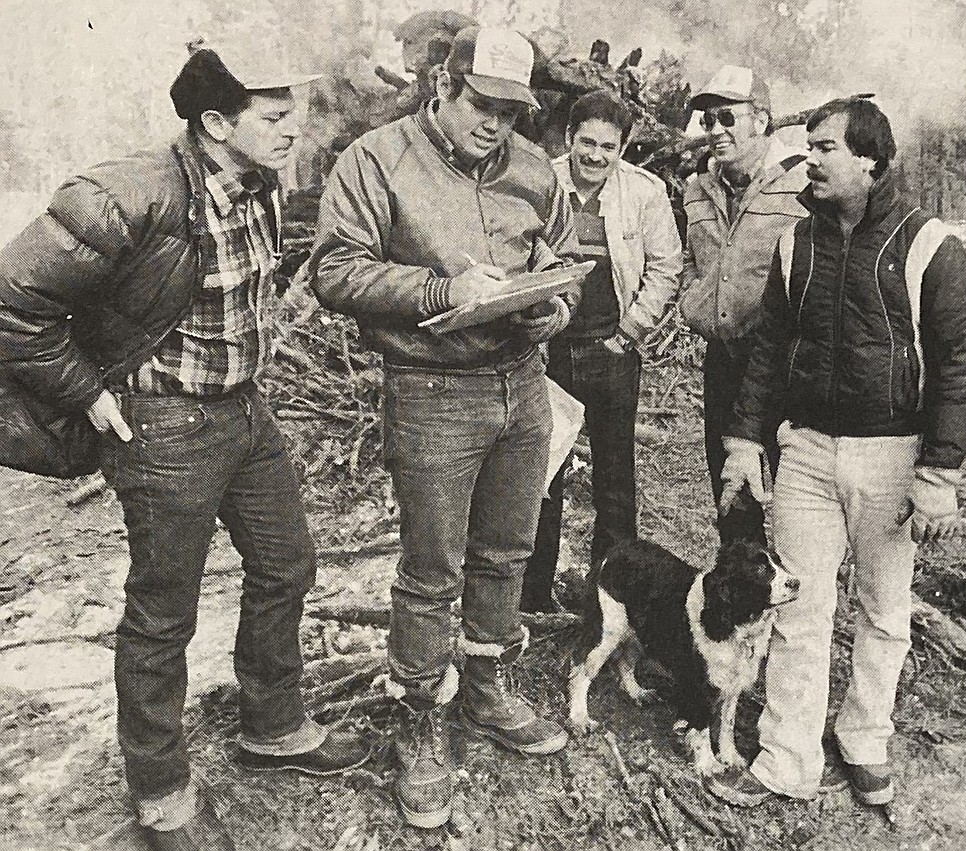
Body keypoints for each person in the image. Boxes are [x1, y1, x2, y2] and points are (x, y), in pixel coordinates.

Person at [0, 46, 371, 850]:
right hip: (163, 425)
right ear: (214, 123)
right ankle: (162, 791)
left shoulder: (260, 181)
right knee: (163, 612)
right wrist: (90, 395)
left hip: (244, 413)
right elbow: (12, 300)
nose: (293, 130)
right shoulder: (127, 194)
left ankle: (273, 725)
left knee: (287, 564)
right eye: (274, 118)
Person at [307, 26, 579, 830]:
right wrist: (438, 289)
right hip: (431, 388)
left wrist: (554, 306)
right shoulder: (377, 159)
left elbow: (560, 255)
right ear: (441, 86)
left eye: (512, 111)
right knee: (433, 566)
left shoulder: (534, 169)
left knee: (507, 550)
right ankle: (419, 716)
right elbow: (333, 268)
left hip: (522, 384)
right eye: (482, 104)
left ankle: (487, 685)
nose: (497, 124)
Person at [707, 97, 966, 809]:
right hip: (805, 451)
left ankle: (864, 738)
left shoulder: (931, 246)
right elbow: (769, 349)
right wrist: (743, 437)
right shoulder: (798, 242)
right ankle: (787, 756)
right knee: (798, 606)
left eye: (826, 147)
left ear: (871, 159)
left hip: (894, 456)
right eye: (809, 146)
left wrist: (940, 472)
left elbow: (956, 364)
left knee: (884, 609)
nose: (811, 159)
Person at [521, 89, 683, 613]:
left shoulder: (644, 192)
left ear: (624, 149)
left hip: (612, 353)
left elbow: (665, 265)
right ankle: (534, 596)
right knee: (543, 476)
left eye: (608, 147)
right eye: (586, 143)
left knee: (615, 481)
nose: (595, 156)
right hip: (547, 355)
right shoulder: (538, 180)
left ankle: (608, 603)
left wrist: (628, 332)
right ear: (568, 140)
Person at [679, 64, 807, 545]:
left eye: (727, 118)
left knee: (794, 497)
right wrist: (695, 300)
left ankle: (800, 608)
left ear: (762, 119)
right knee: (732, 493)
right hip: (726, 360)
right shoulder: (700, 187)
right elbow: (692, 257)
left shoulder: (800, 184)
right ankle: (742, 603)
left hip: (785, 364)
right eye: (708, 120)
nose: (715, 131)